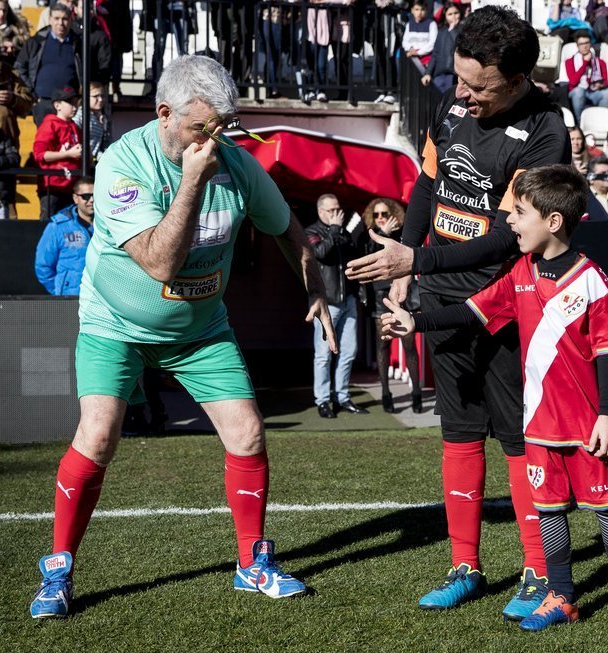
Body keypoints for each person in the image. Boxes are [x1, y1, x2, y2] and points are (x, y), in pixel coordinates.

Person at [28, 55, 336, 619]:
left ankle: (252, 564)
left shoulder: (237, 164)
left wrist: (314, 284)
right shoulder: (124, 162)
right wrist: (193, 182)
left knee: (247, 433)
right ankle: (58, 568)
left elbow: (287, 228)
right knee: (97, 437)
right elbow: (161, 264)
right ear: (165, 114)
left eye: (223, 127)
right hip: (114, 324)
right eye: (203, 128)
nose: (214, 139)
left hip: (200, 330)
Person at [345, 5, 570, 620]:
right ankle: (464, 565)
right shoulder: (452, 106)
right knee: (460, 429)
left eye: (479, 86)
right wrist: (406, 256)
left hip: (505, 303)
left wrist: (413, 265)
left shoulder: (548, 131)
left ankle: (536, 569)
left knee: (520, 439)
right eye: (459, 79)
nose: (463, 95)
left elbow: (508, 239)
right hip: (440, 295)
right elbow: (427, 186)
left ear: (518, 81)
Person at [379, 164, 608, 640]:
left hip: (586, 425)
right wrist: (415, 323)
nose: (510, 221)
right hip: (538, 425)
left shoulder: (590, 279)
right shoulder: (520, 273)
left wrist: (607, 414)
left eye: (520, 213)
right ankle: (562, 595)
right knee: (549, 512)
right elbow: (472, 309)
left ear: (553, 222)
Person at [305, 193, 368, 418]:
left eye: (338, 209)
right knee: (323, 354)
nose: (337, 214)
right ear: (321, 212)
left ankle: (342, 397)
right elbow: (321, 253)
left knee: (349, 351)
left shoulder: (341, 231)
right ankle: (322, 400)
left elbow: (353, 256)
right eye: (331, 210)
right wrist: (334, 229)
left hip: (348, 299)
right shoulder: (312, 232)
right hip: (326, 303)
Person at [361, 197, 422, 414]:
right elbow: (370, 259)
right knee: (383, 346)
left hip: (403, 293)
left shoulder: (405, 233)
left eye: (384, 214)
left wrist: (390, 235)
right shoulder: (370, 235)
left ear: (393, 214)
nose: (380, 218)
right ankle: (386, 394)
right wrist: (383, 235)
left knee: (409, 345)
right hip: (380, 294)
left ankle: (416, 393)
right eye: (376, 214)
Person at [15, 3, 85, 126]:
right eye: (56, 18)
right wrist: (31, 91)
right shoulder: (37, 41)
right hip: (43, 102)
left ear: (70, 20)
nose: (60, 23)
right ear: (50, 20)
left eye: (64, 19)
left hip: (69, 103)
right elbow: (20, 66)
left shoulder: (79, 44)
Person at [35, 177, 95, 294]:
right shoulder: (57, 227)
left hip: (101, 301)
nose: (91, 200)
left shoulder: (109, 226)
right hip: (70, 299)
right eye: (86, 196)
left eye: (94, 195)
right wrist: (60, 291)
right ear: (75, 198)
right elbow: (43, 266)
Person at [33, 86, 83, 220]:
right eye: (70, 102)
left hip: (71, 187)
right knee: (48, 225)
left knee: (69, 226)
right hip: (53, 187)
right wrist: (68, 154)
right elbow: (40, 155)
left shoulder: (75, 127)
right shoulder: (49, 124)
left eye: (75, 102)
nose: (74, 106)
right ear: (57, 105)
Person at [565, 31, 608, 123]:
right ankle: (580, 124)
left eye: (587, 43)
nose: (585, 46)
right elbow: (573, 82)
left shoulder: (600, 62)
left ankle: (601, 122)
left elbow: (606, 82)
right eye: (582, 44)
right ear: (577, 46)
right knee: (579, 92)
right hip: (578, 92)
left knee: (607, 93)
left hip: (594, 92)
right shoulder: (570, 61)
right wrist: (585, 63)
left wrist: (601, 85)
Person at [421, 2, 461, 94]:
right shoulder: (441, 32)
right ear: (445, 16)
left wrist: (453, 30)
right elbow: (435, 54)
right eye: (450, 14)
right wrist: (427, 73)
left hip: (453, 74)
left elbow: (459, 44)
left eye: (456, 13)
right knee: (439, 101)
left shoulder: (463, 30)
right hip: (439, 73)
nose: (453, 16)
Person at [74, 80, 112, 162]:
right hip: (82, 162)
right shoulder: (80, 115)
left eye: (102, 96)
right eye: (96, 96)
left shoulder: (101, 117)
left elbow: (103, 144)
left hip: (95, 161)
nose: (101, 99)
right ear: (85, 97)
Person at [403, 1, 438, 71]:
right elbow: (405, 41)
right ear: (412, 10)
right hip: (412, 59)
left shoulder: (431, 24)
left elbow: (433, 43)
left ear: (426, 10)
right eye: (417, 9)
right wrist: (410, 49)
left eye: (422, 9)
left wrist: (419, 52)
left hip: (426, 61)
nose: (419, 13)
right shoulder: (409, 24)